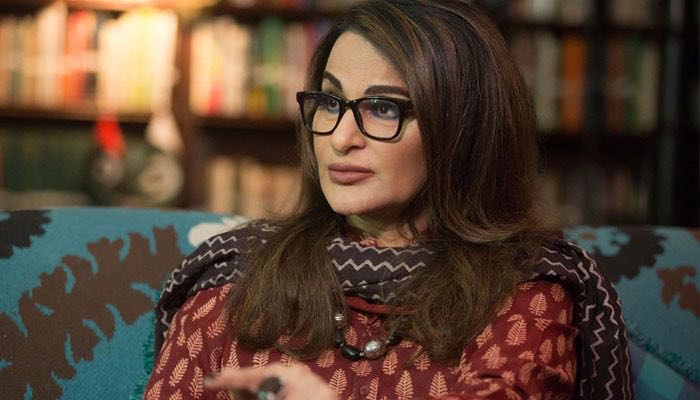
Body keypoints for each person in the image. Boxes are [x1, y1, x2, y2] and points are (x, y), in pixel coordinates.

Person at [144, 1, 632, 399]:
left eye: (382, 108)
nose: (341, 138)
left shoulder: (525, 290)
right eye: (330, 102)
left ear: (463, 130)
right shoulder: (236, 276)